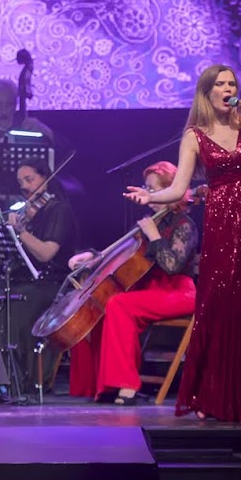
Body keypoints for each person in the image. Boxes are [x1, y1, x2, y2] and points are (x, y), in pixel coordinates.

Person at [125, 64, 241, 422]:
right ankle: (219, 395)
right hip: (223, 221)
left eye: (232, 84)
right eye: (221, 84)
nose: (228, 89)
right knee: (224, 300)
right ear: (207, 92)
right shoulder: (194, 136)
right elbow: (178, 188)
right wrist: (149, 198)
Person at [66, 161, 198, 403]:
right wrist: (92, 258)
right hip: (150, 291)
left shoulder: (184, 225)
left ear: (171, 189)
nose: (146, 193)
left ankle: (126, 385)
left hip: (178, 292)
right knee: (96, 304)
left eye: (152, 189)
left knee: (119, 305)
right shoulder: (150, 220)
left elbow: (172, 266)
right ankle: (99, 385)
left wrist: (154, 236)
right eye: (146, 188)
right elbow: (120, 255)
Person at [0, 158, 78, 385]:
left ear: (45, 178)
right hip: (22, 281)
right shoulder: (25, 210)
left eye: (29, 179)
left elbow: (46, 253)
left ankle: (17, 378)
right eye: (20, 182)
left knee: (10, 305)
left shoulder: (59, 210)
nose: (24, 186)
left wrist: (20, 232)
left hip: (49, 285)